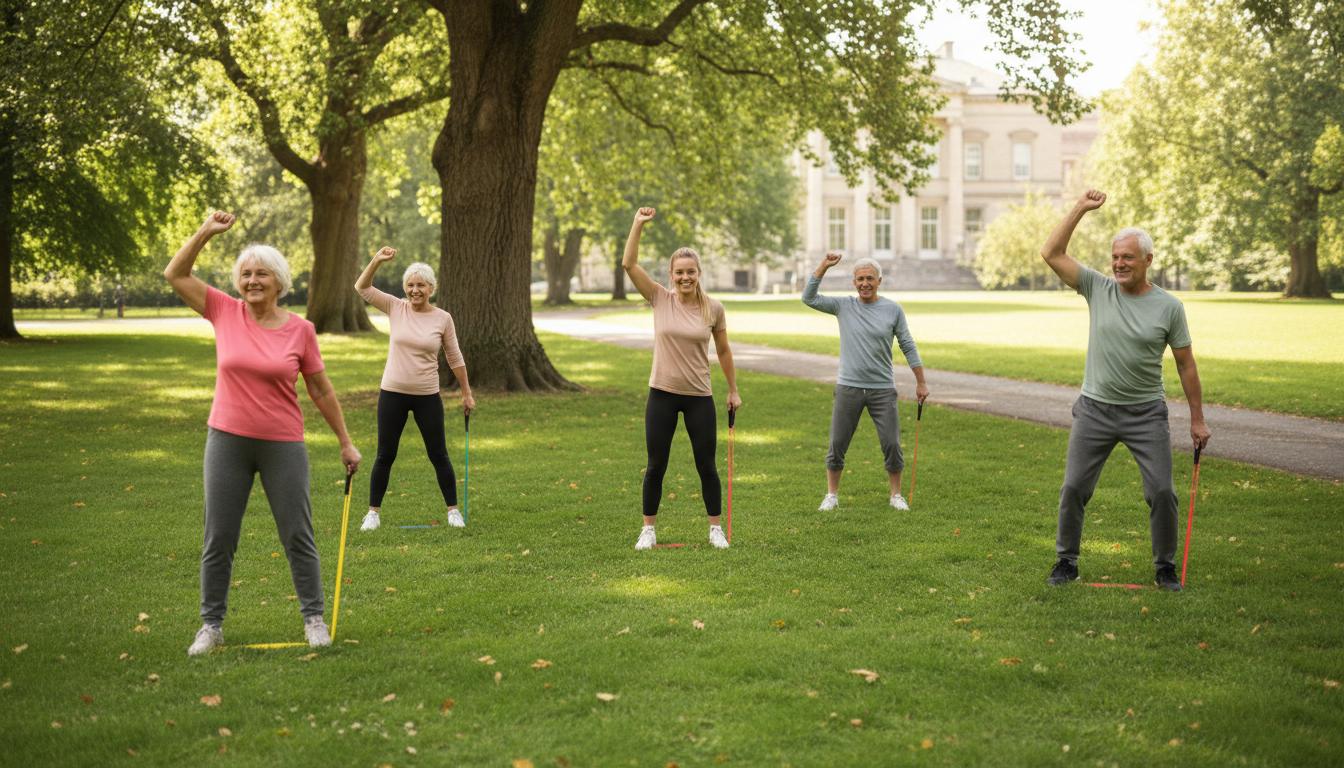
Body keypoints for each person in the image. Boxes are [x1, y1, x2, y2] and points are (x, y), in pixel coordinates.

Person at [163, 211, 361, 656]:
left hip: (282, 444)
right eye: (246, 274)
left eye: (262, 274)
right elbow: (175, 273)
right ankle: (210, 626)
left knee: (298, 534)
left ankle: (313, 619)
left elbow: (321, 389)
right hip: (226, 441)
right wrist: (206, 232)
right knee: (219, 537)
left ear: (279, 281)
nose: (252, 281)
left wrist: (345, 440)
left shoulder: (300, 330)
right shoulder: (223, 310)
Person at [1041, 189, 1211, 591]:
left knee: (1162, 492)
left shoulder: (1169, 307)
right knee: (1073, 489)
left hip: (1145, 414)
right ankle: (1066, 562)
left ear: (1148, 261)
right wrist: (1080, 208)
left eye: (1128, 257)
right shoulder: (1098, 288)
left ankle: (1164, 567)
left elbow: (1186, 364)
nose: (1119, 263)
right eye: (1115, 257)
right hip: (1095, 410)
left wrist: (1198, 419)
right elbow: (1051, 252)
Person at [622, 207, 742, 550]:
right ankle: (648, 530)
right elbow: (629, 265)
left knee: (707, 464)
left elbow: (724, 352)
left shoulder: (713, 308)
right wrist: (638, 224)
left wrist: (733, 390)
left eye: (690, 272)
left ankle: (715, 529)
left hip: (699, 396)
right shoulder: (660, 298)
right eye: (679, 272)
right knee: (656, 464)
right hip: (662, 393)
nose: (685, 277)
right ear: (671, 275)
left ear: (699, 273)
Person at [354, 247, 474, 530]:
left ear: (431, 288)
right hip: (392, 393)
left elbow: (454, 357)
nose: (415, 290)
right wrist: (377, 261)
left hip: (427, 396)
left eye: (420, 285)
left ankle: (453, 512)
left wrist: (467, 392)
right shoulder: (396, 307)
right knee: (385, 454)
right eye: (410, 285)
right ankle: (373, 513)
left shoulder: (442, 318)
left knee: (438, 454)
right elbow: (362, 287)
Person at [803, 252, 929, 511]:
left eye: (870, 278)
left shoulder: (892, 309)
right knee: (837, 443)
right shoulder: (844, 306)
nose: (865, 283)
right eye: (860, 279)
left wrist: (921, 382)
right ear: (853, 282)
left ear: (879, 280)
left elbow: (907, 344)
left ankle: (895, 495)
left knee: (892, 443)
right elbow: (809, 298)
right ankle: (832, 495)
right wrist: (823, 266)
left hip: (882, 389)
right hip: (848, 387)